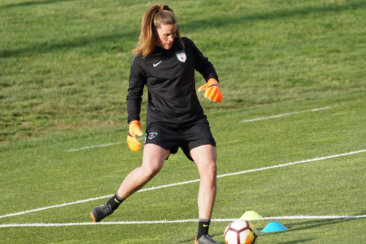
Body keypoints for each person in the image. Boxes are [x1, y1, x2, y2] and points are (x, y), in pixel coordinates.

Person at [90, 4, 223, 244]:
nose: (172, 38)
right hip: (162, 123)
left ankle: (202, 235)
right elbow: (134, 93)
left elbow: (205, 65)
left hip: (193, 121)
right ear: (154, 32)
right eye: (167, 35)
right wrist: (132, 123)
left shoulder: (186, 46)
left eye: (174, 33)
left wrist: (213, 80)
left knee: (209, 169)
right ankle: (110, 205)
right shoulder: (141, 60)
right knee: (150, 168)